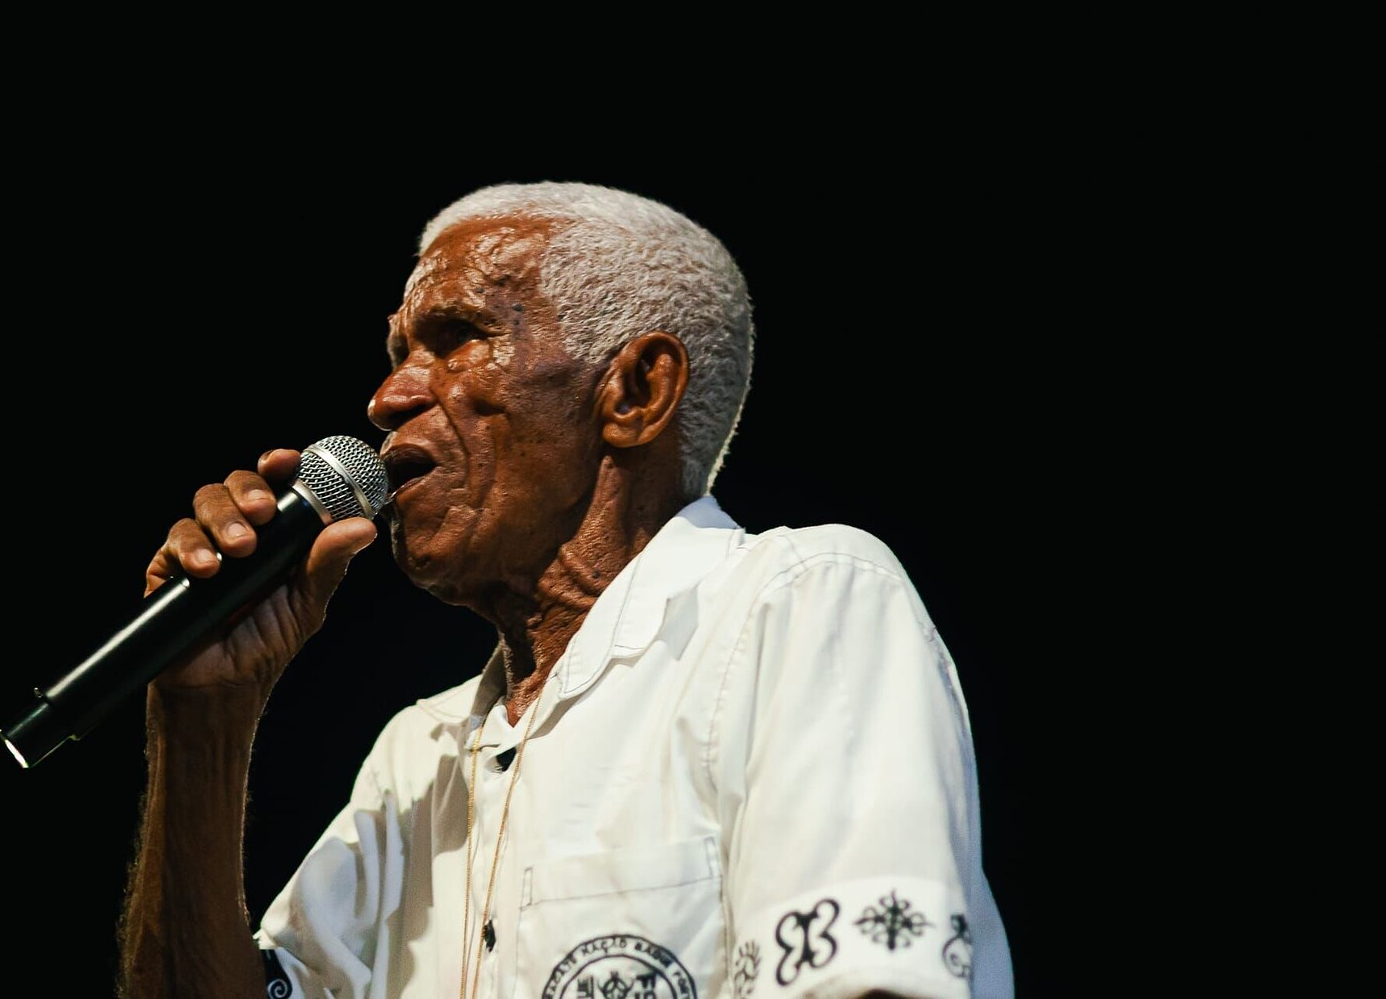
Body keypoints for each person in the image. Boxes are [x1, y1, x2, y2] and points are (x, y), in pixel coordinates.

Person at [117, 182, 1013, 999]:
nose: (387, 397)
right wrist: (202, 724)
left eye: (456, 337)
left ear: (633, 392)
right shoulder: (417, 756)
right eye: (395, 352)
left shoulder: (795, 604)